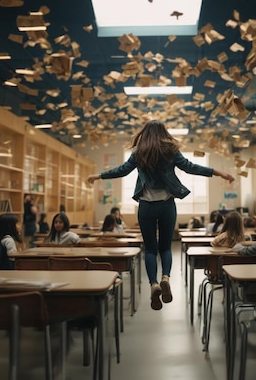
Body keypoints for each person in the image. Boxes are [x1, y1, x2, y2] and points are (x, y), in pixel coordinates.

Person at [86, 120, 235, 311]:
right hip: (167, 206)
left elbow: (122, 170)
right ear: (164, 132)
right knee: (165, 247)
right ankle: (166, 277)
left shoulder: (139, 151)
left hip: (146, 207)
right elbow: (191, 167)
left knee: (150, 249)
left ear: (144, 133)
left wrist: (98, 176)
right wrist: (219, 172)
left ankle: (154, 284)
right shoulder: (170, 150)